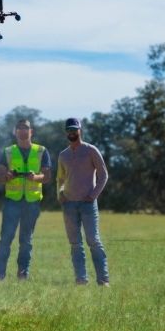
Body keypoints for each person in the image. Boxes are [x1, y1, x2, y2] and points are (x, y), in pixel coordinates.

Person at [0, 118, 52, 280]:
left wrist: (35, 177)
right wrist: (7, 176)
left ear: (31, 131)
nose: (22, 130)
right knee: (6, 238)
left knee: (26, 240)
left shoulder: (41, 150)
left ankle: (22, 275)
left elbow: (47, 177)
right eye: (19, 128)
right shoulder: (8, 152)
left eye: (25, 127)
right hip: (12, 202)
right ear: (15, 132)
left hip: (32, 203)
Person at [56, 117, 110, 286]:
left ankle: (103, 280)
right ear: (66, 133)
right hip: (69, 205)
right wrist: (60, 194)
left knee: (93, 240)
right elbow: (60, 179)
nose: (72, 133)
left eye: (75, 130)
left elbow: (103, 175)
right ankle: (81, 280)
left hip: (88, 204)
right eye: (69, 130)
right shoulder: (63, 155)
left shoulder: (91, 150)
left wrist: (93, 195)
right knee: (75, 244)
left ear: (80, 130)